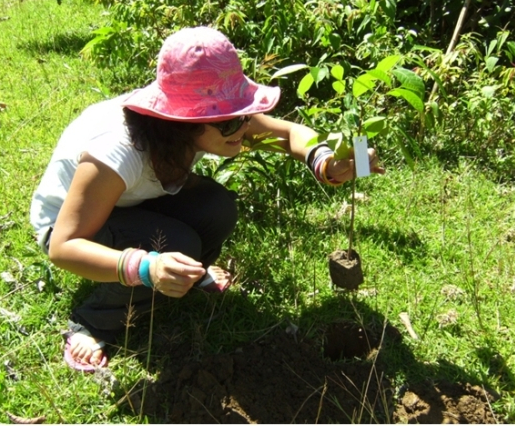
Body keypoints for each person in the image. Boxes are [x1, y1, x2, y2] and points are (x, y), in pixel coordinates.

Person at [29, 26, 385, 372]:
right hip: (69, 225)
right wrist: (146, 267)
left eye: (245, 115)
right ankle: (94, 322)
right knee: (177, 243)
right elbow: (64, 246)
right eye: (229, 123)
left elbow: (289, 134)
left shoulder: (209, 126)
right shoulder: (119, 151)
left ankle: (188, 270)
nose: (244, 128)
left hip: (129, 201)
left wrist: (328, 163)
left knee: (217, 208)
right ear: (183, 122)